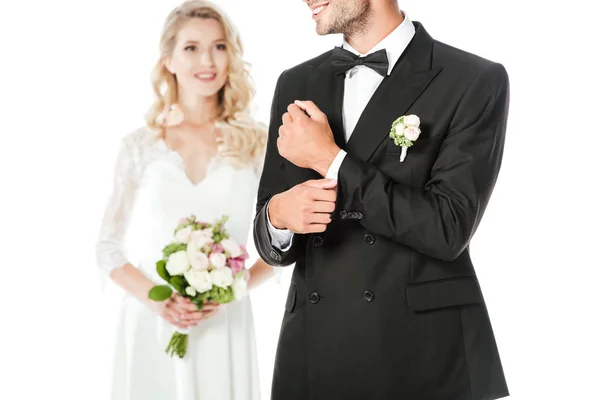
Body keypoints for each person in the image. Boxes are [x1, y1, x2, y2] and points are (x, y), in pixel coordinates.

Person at [253, 0, 510, 399]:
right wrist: (278, 216)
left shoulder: (473, 79)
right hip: (313, 352)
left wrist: (330, 160)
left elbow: (447, 228)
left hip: (421, 354)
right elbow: (270, 227)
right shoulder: (296, 81)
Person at [95, 1, 272, 399]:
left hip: (225, 322)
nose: (207, 60)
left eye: (220, 46)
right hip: (152, 322)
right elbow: (108, 247)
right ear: (169, 60)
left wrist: (233, 289)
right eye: (191, 48)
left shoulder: (257, 142)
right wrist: (158, 301)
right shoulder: (140, 146)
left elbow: (285, 245)